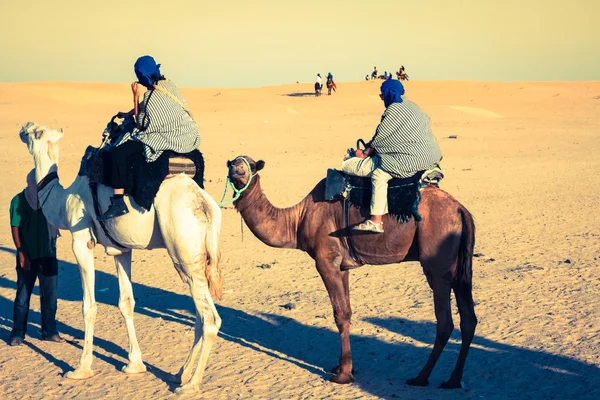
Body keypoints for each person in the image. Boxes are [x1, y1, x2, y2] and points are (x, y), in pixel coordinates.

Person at [98, 55, 201, 221]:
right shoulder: (168, 85)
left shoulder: (150, 97)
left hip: (167, 137)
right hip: (187, 136)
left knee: (119, 153)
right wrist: (128, 112)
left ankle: (118, 202)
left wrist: (135, 97)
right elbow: (154, 108)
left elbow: (142, 124)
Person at [341, 80, 442, 233]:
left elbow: (382, 137)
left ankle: (376, 220)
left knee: (379, 175)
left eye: (382, 95)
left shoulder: (393, 110)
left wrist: (365, 152)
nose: (382, 99)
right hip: (429, 156)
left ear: (388, 94)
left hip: (410, 157)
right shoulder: (413, 106)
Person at [9, 170, 64, 345]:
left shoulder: (50, 201)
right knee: (23, 296)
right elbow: (15, 227)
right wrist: (21, 252)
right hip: (28, 255)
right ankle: (18, 333)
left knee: (50, 297)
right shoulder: (19, 200)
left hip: (48, 254)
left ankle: (49, 332)